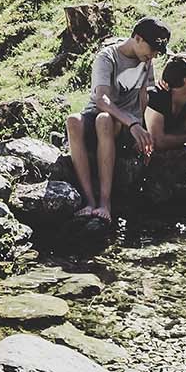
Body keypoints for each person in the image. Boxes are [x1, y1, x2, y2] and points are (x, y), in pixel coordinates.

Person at [64, 16, 169, 222]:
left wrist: (143, 132)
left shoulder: (146, 61)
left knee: (104, 120)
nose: (153, 56)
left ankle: (105, 202)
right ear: (137, 38)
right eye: (152, 49)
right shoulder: (107, 57)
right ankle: (89, 200)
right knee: (73, 121)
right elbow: (101, 99)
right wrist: (134, 124)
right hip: (109, 116)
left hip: (119, 125)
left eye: (158, 52)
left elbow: (143, 98)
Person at [145, 53, 186, 151]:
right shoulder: (156, 97)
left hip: (171, 147)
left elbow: (182, 130)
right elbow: (157, 141)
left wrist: (172, 138)